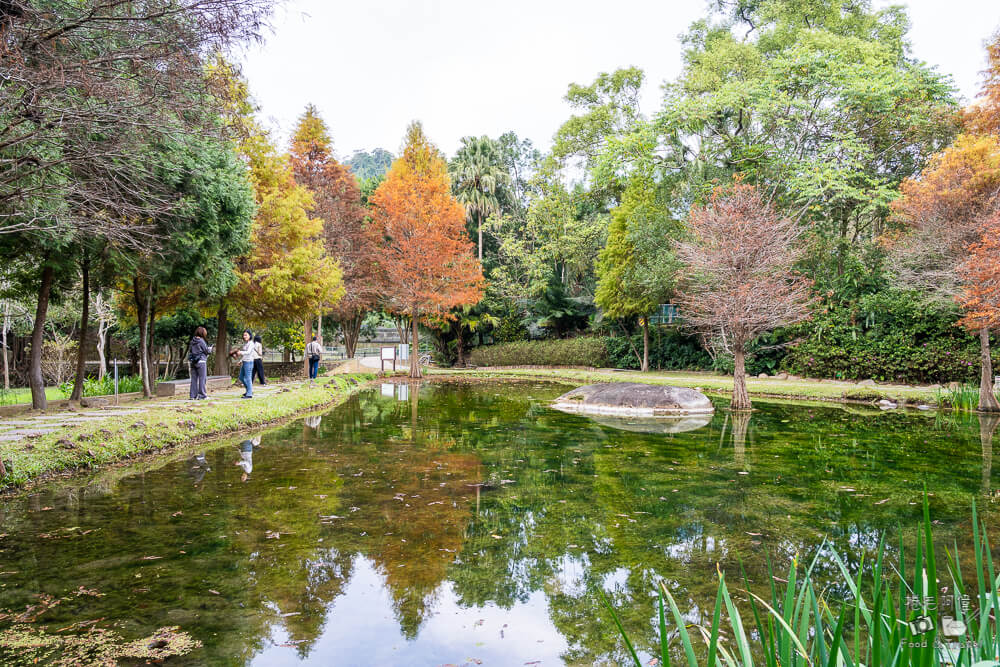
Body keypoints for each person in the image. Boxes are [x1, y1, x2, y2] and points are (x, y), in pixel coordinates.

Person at [188, 326, 213, 400]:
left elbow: (190, 350)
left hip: (193, 362)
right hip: (201, 362)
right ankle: (202, 395)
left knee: (194, 379)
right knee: (202, 379)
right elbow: (206, 351)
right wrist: (210, 349)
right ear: (202, 333)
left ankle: (192, 396)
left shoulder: (192, 341)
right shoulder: (201, 341)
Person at [231, 329, 256, 398]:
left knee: (248, 378)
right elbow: (246, 355)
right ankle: (249, 390)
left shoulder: (251, 343)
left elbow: (248, 352)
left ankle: (249, 394)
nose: (244, 336)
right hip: (245, 362)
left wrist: (240, 352)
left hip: (249, 363)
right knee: (241, 377)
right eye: (244, 335)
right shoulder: (247, 343)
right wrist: (241, 361)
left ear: (250, 335)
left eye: (246, 335)